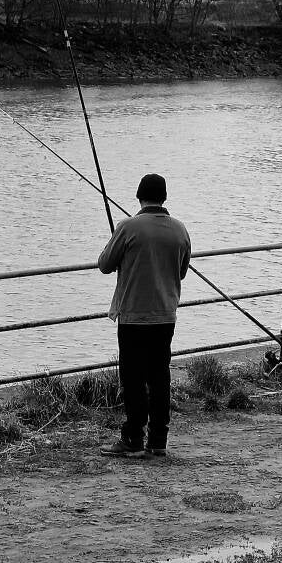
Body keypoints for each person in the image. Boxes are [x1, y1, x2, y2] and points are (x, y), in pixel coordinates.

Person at [97, 173, 191, 457]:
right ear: (164, 197)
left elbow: (105, 264)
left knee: (134, 379)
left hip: (134, 316)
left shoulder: (128, 227)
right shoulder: (180, 230)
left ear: (139, 196)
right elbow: (181, 272)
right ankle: (158, 440)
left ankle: (133, 439)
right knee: (160, 377)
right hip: (165, 314)